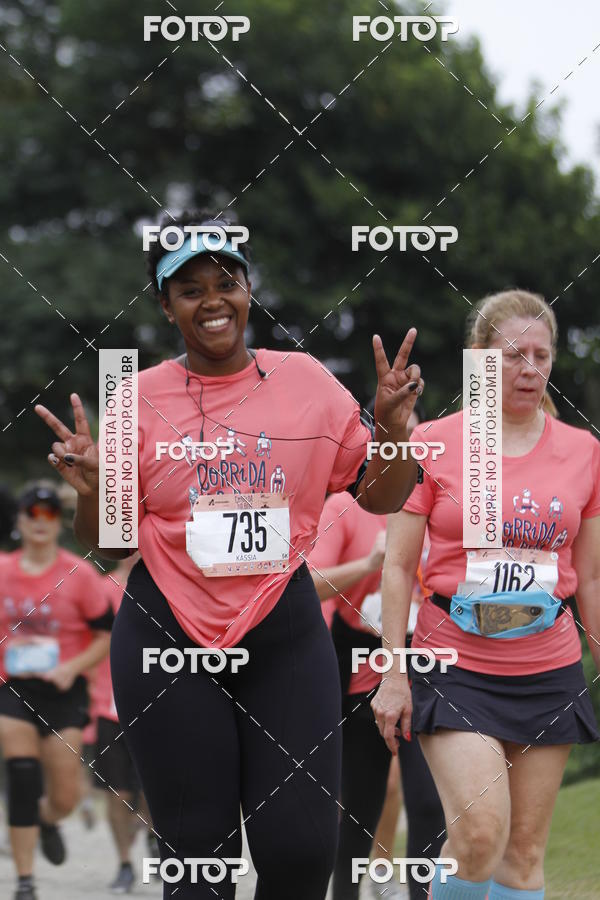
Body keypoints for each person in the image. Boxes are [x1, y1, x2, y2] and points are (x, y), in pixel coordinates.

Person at [34, 211, 425, 900]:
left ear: (248, 289)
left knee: (303, 851)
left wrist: (391, 432)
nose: (212, 300)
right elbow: (112, 542)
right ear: (164, 303)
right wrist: (94, 489)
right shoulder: (138, 397)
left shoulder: (305, 381)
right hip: (168, 636)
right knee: (200, 857)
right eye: (190, 288)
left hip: (283, 628)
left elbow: (379, 498)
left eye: (226, 281)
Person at [372, 290, 600, 900]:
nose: (529, 368)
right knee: (478, 836)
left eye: (541, 355)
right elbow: (396, 567)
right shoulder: (432, 443)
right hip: (455, 666)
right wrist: (393, 674)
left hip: (549, 668)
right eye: (511, 355)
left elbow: (593, 577)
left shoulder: (583, 451)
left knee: (523, 856)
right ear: (479, 360)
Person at [310, 404, 444, 900]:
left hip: (428, 661)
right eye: (392, 443)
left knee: (429, 804)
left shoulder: (443, 502)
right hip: (359, 663)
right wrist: (369, 564)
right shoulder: (343, 508)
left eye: (412, 444)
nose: (404, 453)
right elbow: (306, 583)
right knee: (359, 804)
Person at [0, 484, 113, 900]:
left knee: (65, 796)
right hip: (12, 688)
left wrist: (72, 667)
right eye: (32, 513)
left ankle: (48, 820)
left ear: (58, 522)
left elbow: (106, 635)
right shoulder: (2, 570)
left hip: (64, 690)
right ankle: (25, 882)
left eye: (49, 514)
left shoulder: (78, 574)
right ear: (19, 521)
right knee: (23, 776)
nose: (40, 521)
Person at [91, 552, 155, 894]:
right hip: (109, 705)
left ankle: (152, 836)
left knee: (153, 791)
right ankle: (125, 863)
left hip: (158, 702)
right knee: (118, 793)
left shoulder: (165, 582)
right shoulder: (101, 588)